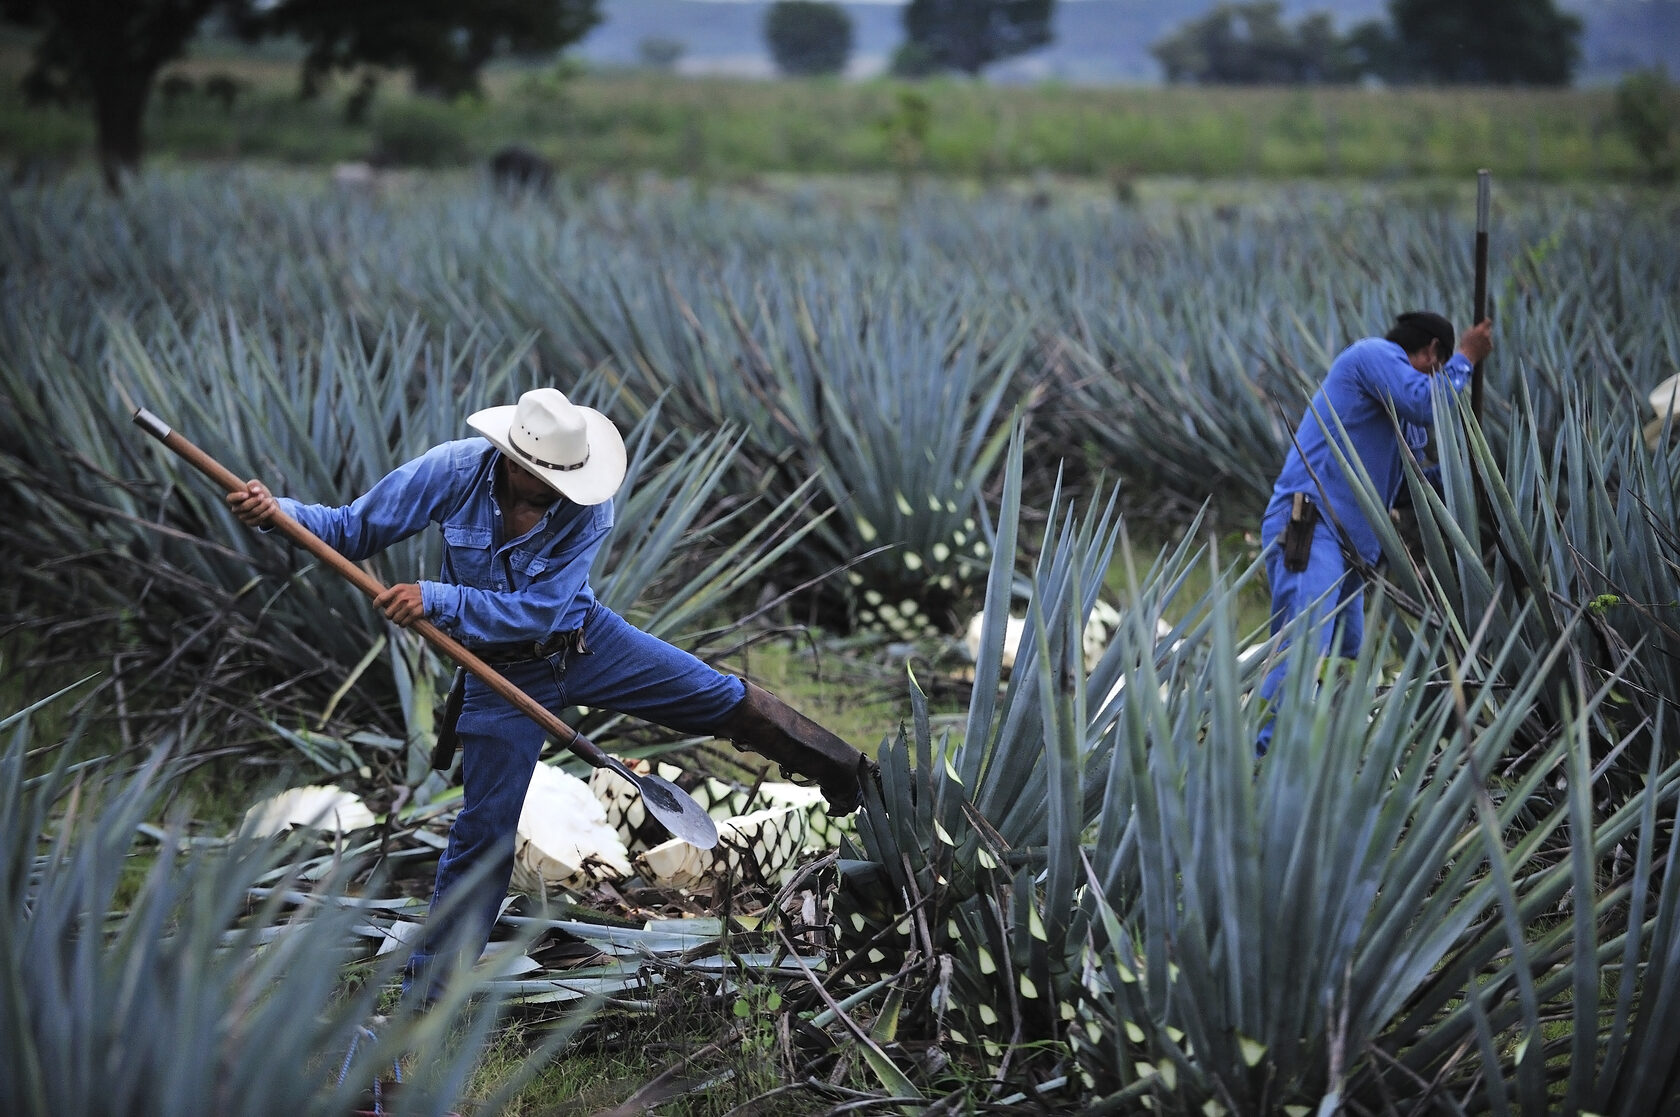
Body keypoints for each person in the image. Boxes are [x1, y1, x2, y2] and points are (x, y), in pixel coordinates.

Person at [228, 387, 873, 1000]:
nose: (563, 489)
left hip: (583, 642)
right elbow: (348, 529)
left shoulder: (588, 507)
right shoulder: (453, 472)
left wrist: (438, 597)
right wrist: (277, 513)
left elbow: (539, 610)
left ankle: (846, 773)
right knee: (484, 831)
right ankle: (428, 995)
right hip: (496, 676)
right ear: (511, 457)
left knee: (717, 696)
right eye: (549, 478)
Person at [1256, 311, 1493, 753]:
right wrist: (1467, 358)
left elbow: (1409, 486)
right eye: (1440, 369)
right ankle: (1262, 761)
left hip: (1350, 549)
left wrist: (1471, 480)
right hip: (1312, 525)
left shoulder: (1400, 420)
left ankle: (1322, 753)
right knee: (1305, 646)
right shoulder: (1372, 356)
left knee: (1345, 649)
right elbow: (1427, 402)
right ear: (1431, 354)